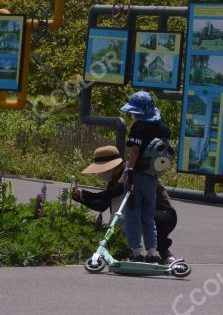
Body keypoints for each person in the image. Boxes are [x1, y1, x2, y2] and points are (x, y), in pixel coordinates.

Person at [71, 145, 178, 264]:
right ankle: (135, 252)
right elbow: (102, 205)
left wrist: (88, 194)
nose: (102, 173)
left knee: (153, 219)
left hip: (163, 213)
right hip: (140, 213)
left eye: (103, 169)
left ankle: (165, 253)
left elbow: (118, 190)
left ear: (113, 165)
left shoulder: (131, 169)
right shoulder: (113, 180)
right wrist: (81, 198)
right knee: (132, 221)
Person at [122, 91, 171, 263]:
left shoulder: (139, 127)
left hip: (137, 176)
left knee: (133, 214)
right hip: (153, 177)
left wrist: (128, 171)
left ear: (137, 112)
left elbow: (134, 152)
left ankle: (136, 250)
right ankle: (153, 250)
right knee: (148, 216)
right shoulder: (163, 128)